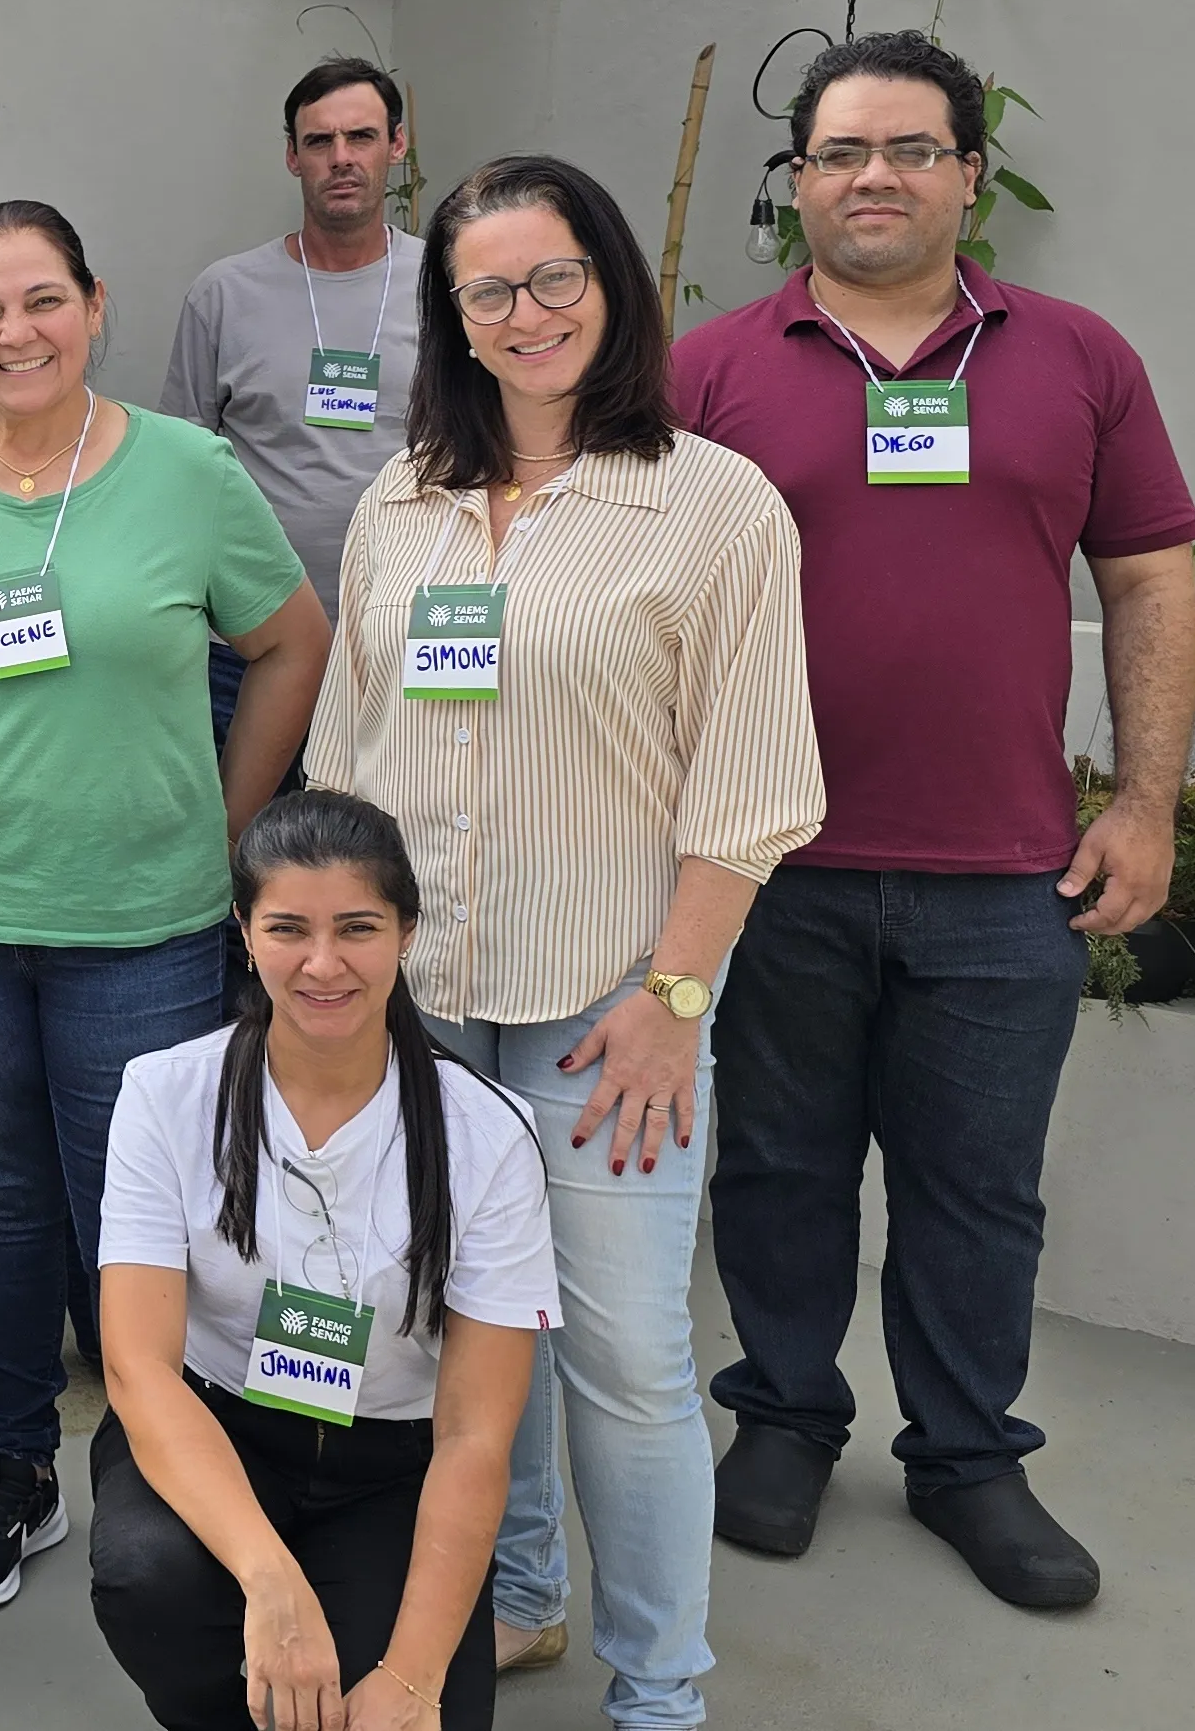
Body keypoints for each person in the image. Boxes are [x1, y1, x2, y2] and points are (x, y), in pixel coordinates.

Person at [676, 32, 1195, 1610]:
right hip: (772, 867)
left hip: (1002, 870)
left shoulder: (1079, 358)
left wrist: (1146, 802)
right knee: (777, 1165)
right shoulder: (711, 370)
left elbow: (1149, 576)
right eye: (841, 154)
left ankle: (970, 1458)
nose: (874, 178)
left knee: (979, 1185)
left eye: (910, 149)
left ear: (972, 174)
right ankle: (782, 1416)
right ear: (800, 186)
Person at [307, 153, 822, 1731]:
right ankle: (521, 1596)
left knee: (627, 1363)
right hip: (425, 1001)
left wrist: (676, 998)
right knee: (472, 1336)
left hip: (612, 1007)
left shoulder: (711, 503)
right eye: (488, 290)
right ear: (447, 316)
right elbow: (350, 754)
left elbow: (750, 788)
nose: (526, 314)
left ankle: (660, 1689)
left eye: (555, 279)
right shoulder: (399, 505)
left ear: (612, 284)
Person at [0, 199, 330, 1611]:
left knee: (136, 1209)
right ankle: (17, 1460)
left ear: (94, 304)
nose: (14, 332)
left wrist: (223, 833)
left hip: (138, 921)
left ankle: (161, 1469)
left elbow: (291, 645)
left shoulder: (189, 473)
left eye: (42, 301)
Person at [92, 791, 556, 1731]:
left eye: (357, 928)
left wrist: (415, 1679)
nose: (322, 963)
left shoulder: (490, 1137)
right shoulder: (164, 1097)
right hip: (221, 1428)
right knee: (152, 1576)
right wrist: (272, 1584)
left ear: (406, 932)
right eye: (287, 929)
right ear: (244, 931)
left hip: (393, 1464)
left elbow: (474, 1435)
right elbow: (137, 1368)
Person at [161, 58, 425, 747]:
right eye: (319, 142)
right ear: (291, 156)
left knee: (382, 848)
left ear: (397, 146)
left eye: (361, 138)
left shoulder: (448, 291)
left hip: (395, 636)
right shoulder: (224, 295)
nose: (342, 159)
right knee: (236, 843)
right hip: (244, 646)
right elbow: (182, 473)